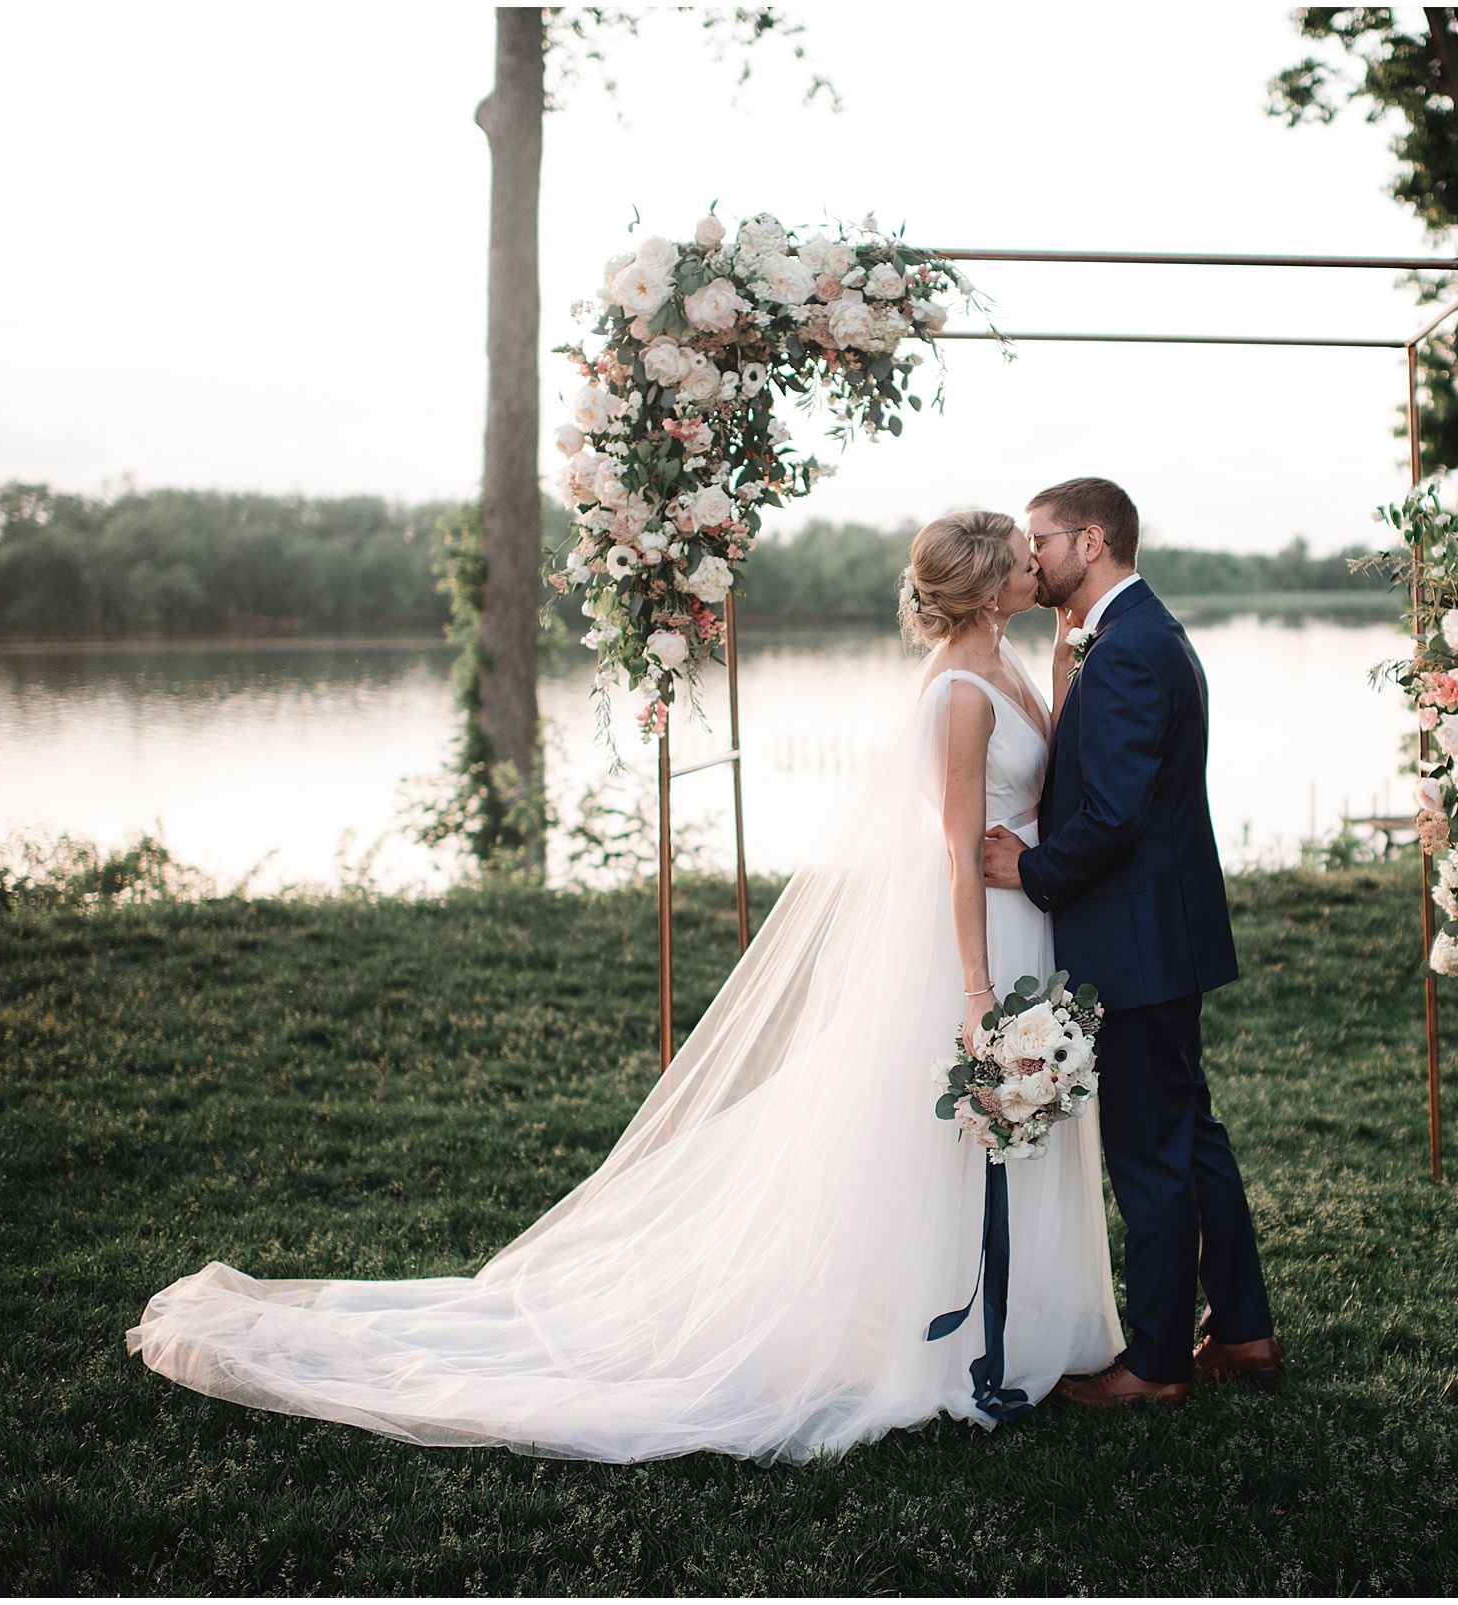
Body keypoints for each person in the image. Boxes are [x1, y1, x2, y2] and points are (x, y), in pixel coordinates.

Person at [127, 510, 1122, 1465]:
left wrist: (1068, 668)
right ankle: (946, 1334)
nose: (1042, 563)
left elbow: (1037, 786)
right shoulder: (955, 691)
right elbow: (955, 849)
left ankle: (1021, 1316)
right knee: (951, 1130)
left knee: (1002, 1129)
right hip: (976, 933)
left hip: (1023, 908)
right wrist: (976, 983)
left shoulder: (1009, 661)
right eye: (1026, 559)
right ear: (994, 588)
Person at [982, 476, 1281, 1407]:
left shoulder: (1125, 653)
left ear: (1094, 540)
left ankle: (1154, 1366)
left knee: (1151, 1150)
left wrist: (1029, 872)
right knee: (1190, 1136)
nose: (1033, 559)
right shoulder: (1138, 633)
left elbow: (1111, 813)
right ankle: (1243, 1330)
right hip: (1163, 927)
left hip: (1137, 936)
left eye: (1043, 541)